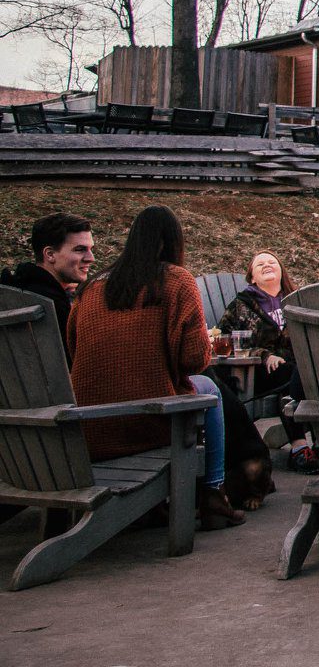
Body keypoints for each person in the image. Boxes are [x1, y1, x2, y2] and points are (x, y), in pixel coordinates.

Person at [66, 205, 244, 529]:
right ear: (173, 242)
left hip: (87, 428)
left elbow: (74, 349)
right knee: (212, 390)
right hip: (149, 422)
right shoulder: (176, 280)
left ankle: (159, 505)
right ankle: (213, 494)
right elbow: (194, 360)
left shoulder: (91, 288)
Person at [217, 250, 314, 470]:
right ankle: (299, 447)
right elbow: (226, 341)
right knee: (291, 376)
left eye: (272, 262)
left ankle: (314, 445)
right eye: (260, 264)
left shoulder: (295, 301)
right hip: (257, 373)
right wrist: (264, 355)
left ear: (281, 272)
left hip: (298, 367)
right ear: (252, 277)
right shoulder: (241, 305)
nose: (267, 265)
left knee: (303, 373)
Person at [2, 212, 94, 346]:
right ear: (50, 254)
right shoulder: (51, 305)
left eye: (91, 249)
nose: (91, 258)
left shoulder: (14, 289)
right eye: (80, 249)